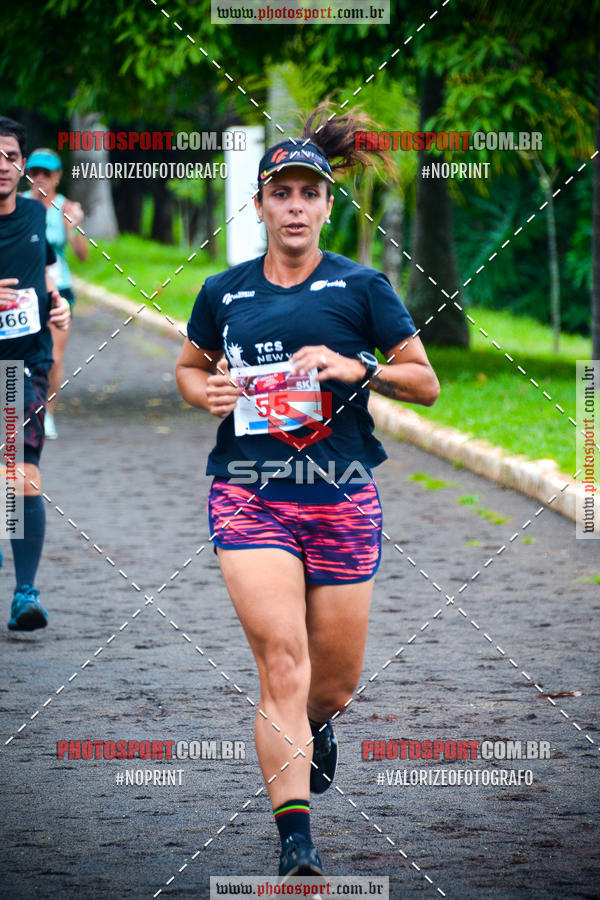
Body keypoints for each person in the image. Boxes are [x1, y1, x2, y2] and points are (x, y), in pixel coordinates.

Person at [175, 105, 440, 878]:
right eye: (280, 193)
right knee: (281, 664)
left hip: (343, 492)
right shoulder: (223, 292)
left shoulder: (363, 289)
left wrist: (360, 369)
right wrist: (208, 395)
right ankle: (296, 839)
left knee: (332, 683)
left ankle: (317, 724)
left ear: (328, 204)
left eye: (308, 194)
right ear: (259, 204)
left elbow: (426, 383)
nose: (294, 207)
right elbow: (189, 369)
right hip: (249, 491)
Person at [0, 117, 71, 630]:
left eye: (9, 157)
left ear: (22, 165)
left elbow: (47, 276)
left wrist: (58, 306)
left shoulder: (33, 215)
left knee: (20, 474)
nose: (2, 167)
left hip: (21, 365)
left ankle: (25, 593)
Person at [23, 147, 87, 439]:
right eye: (34, 172)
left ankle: (46, 413)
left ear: (58, 177)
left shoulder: (67, 208)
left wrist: (73, 229)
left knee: (54, 357)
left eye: (46, 173)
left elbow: (82, 256)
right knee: (19, 356)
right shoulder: (15, 204)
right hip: (21, 288)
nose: (39, 179)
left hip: (58, 289)